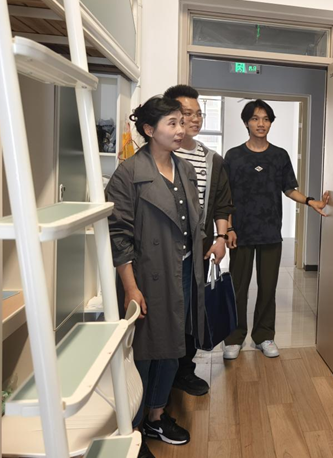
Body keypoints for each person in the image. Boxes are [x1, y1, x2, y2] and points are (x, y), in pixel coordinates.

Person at [106, 96, 206, 457]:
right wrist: (130, 287)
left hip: (183, 271)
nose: (181, 130)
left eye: (182, 122)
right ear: (149, 130)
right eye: (172, 123)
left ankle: (157, 415)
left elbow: (194, 221)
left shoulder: (185, 169)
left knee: (173, 346)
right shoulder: (129, 174)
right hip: (147, 275)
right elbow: (118, 236)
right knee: (145, 352)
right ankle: (132, 429)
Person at [222, 99, 330, 360]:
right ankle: (234, 338)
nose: (261, 123)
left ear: (270, 123)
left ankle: (264, 336)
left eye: (266, 119)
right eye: (255, 118)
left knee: (268, 287)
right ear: (246, 122)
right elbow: (226, 196)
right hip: (241, 232)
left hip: (270, 232)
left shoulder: (279, 155)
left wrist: (310, 201)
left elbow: (289, 188)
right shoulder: (234, 156)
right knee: (238, 287)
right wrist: (229, 228)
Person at [164, 84, 234, 397]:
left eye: (198, 114)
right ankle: (160, 375)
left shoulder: (211, 159)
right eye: (186, 114)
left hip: (198, 250)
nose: (194, 119)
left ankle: (184, 370)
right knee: (166, 313)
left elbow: (221, 203)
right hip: (162, 251)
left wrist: (220, 237)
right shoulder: (159, 153)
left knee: (193, 310)